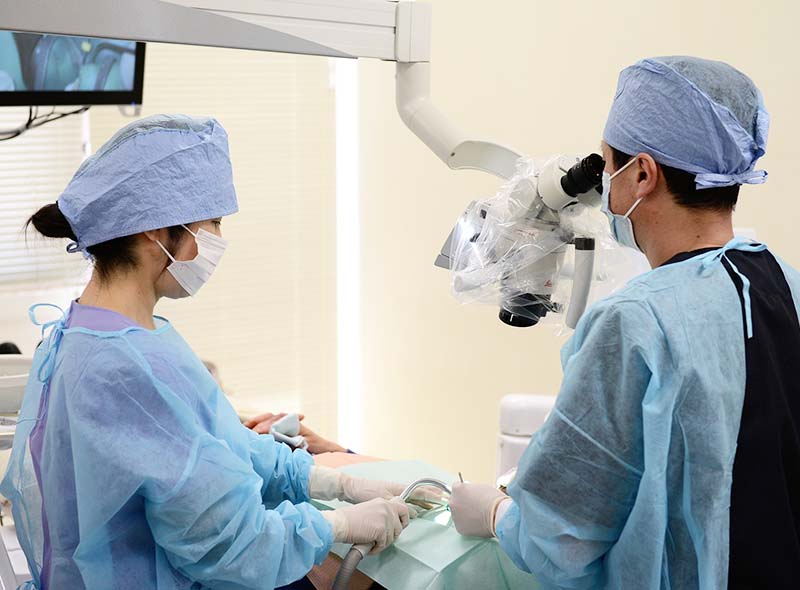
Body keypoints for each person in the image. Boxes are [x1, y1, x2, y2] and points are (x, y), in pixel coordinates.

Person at [0, 115, 415, 590]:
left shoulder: (91, 332)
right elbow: (228, 545)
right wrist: (336, 525)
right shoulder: (126, 368)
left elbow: (220, 445)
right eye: (213, 222)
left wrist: (332, 482)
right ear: (155, 229)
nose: (218, 239)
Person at [449, 56, 800, 589]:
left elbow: (559, 539)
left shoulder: (635, 323)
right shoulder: (787, 284)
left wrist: (495, 513)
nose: (604, 184)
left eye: (609, 165)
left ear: (642, 174)